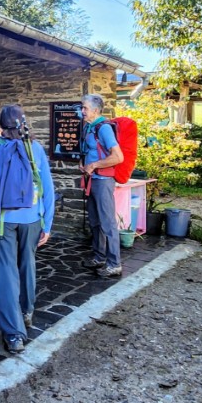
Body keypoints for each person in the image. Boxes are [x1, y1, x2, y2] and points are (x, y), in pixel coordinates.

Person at [0, 104, 54, 354]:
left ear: (0, 126)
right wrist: (47, 222)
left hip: (2, 220)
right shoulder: (35, 147)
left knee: (5, 271)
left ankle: (13, 334)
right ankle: (27, 311)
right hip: (32, 219)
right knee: (28, 263)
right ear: (24, 123)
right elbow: (48, 187)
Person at [79, 94, 125, 278]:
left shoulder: (104, 128)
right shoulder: (89, 127)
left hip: (103, 181)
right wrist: (84, 164)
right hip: (92, 180)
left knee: (107, 223)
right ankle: (99, 257)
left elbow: (118, 157)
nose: (82, 111)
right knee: (95, 221)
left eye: (85, 108)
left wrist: (94, 165)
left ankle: (114, 264)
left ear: (96, 110)